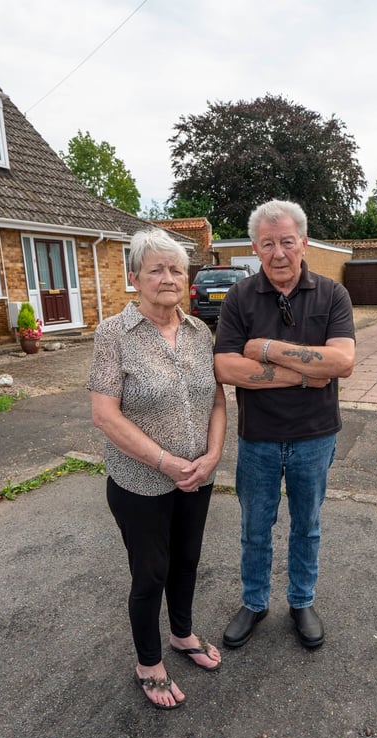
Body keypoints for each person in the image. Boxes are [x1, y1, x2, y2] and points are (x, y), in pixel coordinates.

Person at [87, 228, 227, 710]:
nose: (168, 278)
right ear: (135, 278)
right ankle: (148, 662)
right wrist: (169, 463)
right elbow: (105, 415)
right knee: (150, 574)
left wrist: (211, 457)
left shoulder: (199, 332)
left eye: (176, 269)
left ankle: (183, 635)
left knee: (187, 562)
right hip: (141, 483)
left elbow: (217, 401)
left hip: (198, 478)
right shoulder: (113, 335)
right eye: (157, 269)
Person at [213, 199, 356, 650]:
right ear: (256, 247)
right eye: (268, 243)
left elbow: (344, 362)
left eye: (287, 242)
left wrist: (266, 348)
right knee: (255, 526)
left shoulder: (332, 294)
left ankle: (301, 601)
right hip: (258, 439)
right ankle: (254, 603)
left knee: (306, 524)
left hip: (314, 437)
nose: (278, 253)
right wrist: (307, 373)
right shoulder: (240, 296)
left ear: (304, 243)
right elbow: (225, 368)